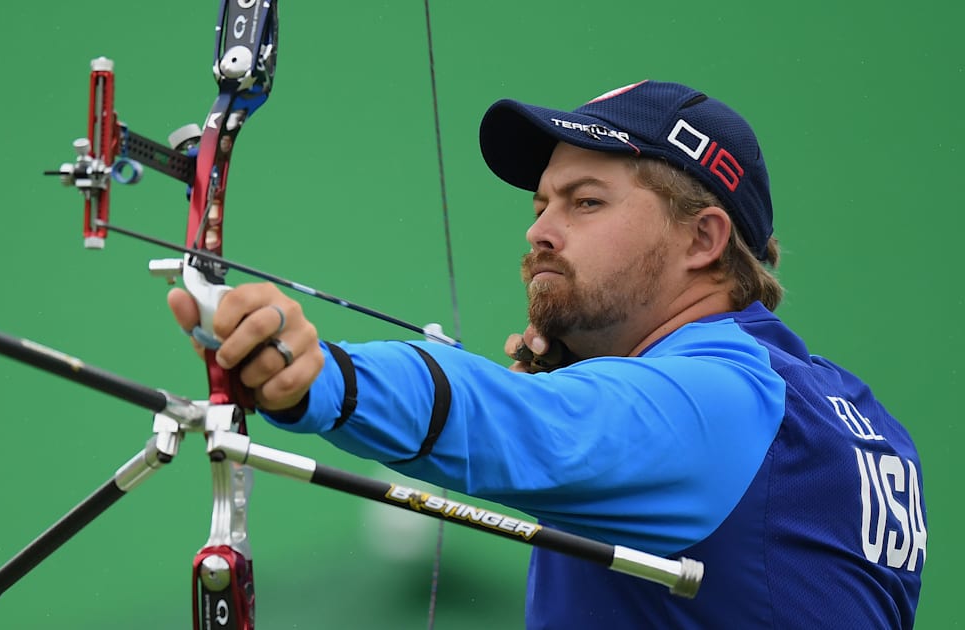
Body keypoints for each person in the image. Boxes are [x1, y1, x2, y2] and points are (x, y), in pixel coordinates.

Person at [167, 80, 927, 629]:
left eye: (585, 202)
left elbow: (512, 420)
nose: (540, 231)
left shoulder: (721, 404)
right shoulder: (849, 415)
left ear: (703, 240)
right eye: (541, 205)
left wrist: (325, 377)